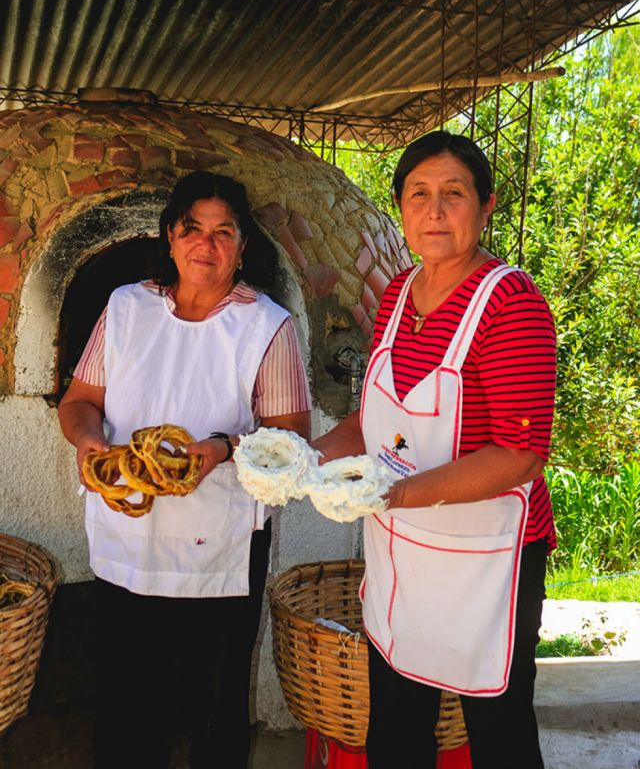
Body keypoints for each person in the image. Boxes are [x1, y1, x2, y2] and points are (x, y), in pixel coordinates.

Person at [313, 130, 556, 769]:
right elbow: (374, 413)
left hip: (490, 558)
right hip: (401, 550)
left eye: (454, 194)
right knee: (396, 721)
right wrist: (308, 459)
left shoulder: (511, 302)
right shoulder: (397, 294)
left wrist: (391, 494)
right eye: (418, 194)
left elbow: (520, 453)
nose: (435, 210)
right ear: (400, 207)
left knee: (496, 727)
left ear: (487, 205)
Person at [58, 171, 311, 769]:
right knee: (124, 702)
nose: (207, 243)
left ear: (242, 248)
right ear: (170, 238)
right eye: (192, 229)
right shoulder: (126, 308)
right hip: (129, 533)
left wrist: (222, 448)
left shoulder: (266, 326)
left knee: (214, 706)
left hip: (220, 543)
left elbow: (292, 438)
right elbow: (78, 403)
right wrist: (92, 444)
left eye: (224, 232)